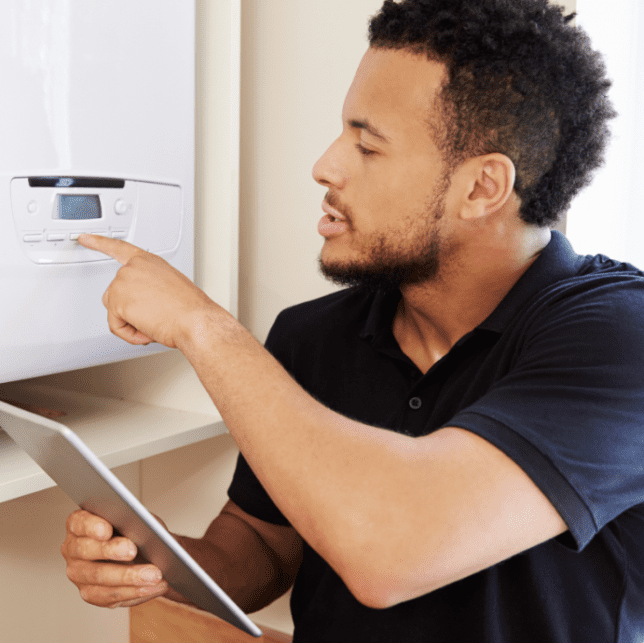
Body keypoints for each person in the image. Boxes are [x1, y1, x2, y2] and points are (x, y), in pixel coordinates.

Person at [62, 1, 644, 640]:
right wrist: (163, 565)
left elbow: (393, 549)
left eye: (367, 145)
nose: (326, 166)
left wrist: (204, 327)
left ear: (482, 188)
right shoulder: (312, 337)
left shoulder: (620, 335)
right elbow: (263, 544)